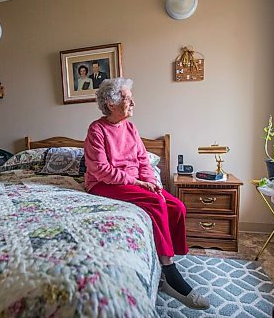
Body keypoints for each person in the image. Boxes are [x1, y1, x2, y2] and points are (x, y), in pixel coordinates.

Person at [84, 77, 210, 310]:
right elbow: (100, 170)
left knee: (176, 206)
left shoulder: (131, 128)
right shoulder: (97, 130)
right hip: (104, 183)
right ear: (111, 104)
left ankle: (170, 258)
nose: (133, 102)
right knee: (154, 202)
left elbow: (143, 161)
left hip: (135, 180)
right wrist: (139, 184)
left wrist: (153, 182)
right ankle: (170, 270)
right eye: (127, 98)